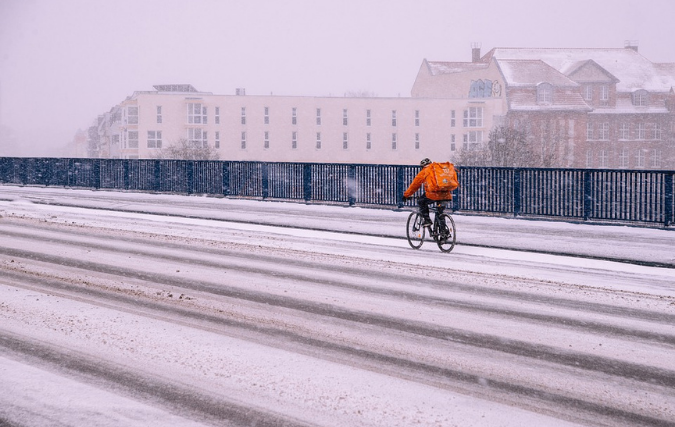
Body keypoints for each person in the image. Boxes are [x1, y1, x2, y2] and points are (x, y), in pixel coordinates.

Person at [402, 158, 454, 228]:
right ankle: (443, 233)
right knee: (439, 212)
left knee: (421, 201)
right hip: (446, 195)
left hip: (433, 194)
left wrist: (406, 195)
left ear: (422, 166)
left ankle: (427, 220)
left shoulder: (424, 171)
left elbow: (415, 185)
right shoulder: (439, 170)